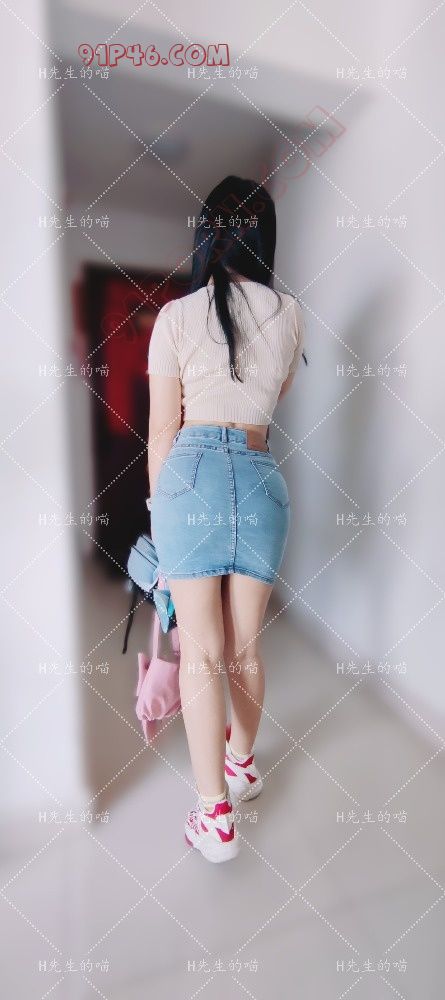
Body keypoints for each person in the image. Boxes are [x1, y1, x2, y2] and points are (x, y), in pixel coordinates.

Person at [147, 175, 307, 863]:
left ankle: (214, 817)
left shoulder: (175, 317)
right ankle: (242, 763)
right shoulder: (291, 314)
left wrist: (160, 515)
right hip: (262, 476)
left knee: (201, 654)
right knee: (245, 648)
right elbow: (273, 394)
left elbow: (162, 431)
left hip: (190, 476)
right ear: (264, 239)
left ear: (205, 236)